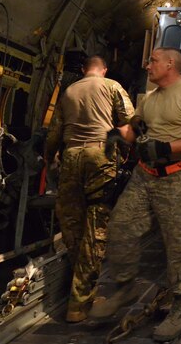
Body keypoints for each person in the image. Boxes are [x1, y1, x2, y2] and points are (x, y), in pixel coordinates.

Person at [89, 47, 181, 342]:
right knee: (120, 229)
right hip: (144, 177)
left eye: (153, 61)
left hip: (177, 178)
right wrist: (117, 135)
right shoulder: (148, 100)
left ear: (170, 64)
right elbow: (135, 130)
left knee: (178, 246)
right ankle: (125, 287)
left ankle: (180, 307)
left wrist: (166, 148)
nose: (148, 65)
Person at [45, 55, 134, 323]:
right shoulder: (111, 86)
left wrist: (50, 158)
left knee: (72, 224)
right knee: (96, 227)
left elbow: (54, 133)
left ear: (84, 70)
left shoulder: (69, 91)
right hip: (100, 154)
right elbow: (131, 121)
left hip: (71, 155)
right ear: (103, 69)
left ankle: (80, 290)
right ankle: (80, 303)